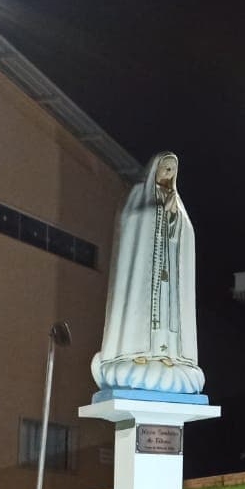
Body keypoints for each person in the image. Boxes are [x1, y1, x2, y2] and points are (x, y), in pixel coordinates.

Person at [91, 151, 205, 395]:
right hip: (145, 278)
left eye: (172, 171)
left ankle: (167, 354)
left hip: (167, 276)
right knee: (141, 312)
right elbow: (132, 224)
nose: (168, 174)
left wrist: (174, 216)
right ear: (155, 170)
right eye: (165, 169)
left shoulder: (177, 203)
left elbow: (186, 234)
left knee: (167, 315)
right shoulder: (137, 198)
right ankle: (136, 353)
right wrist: (159, 212)